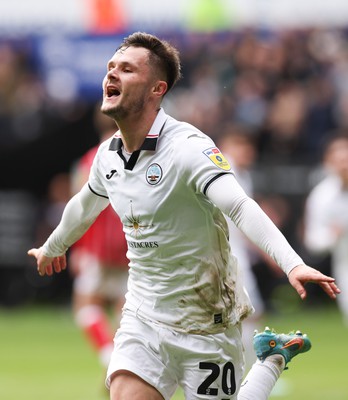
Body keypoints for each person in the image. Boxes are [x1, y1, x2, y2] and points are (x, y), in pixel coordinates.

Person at [28, 32, 340, 400]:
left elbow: (239, 205)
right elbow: (84, 204)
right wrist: (53, 245)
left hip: (207, 321)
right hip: (143, 317)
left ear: (157, 89)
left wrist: (292, 264)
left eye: (127, 69)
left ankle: (271, 360)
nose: (112, 75)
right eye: (111, 67)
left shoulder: (189, 148)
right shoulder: (107, 155)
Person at [69, 104, 129, 370]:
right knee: (127, 312)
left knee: (85, 306)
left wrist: (77, 247)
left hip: (99, 248)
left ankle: (110, 359)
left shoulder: (92, 158)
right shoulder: (139, 155)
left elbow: (80, 209)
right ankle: (127, 365)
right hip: (135, 247)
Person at [217, 128, 264, 369]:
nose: (247, 151)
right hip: (227, 255)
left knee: (239, 315)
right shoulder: (226, 169)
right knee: (249, 313)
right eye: (240, 144)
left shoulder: (243, 175)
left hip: (233, 253)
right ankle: (247, 369)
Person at [303, 133, 348, 327]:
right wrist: (333, 235)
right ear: (329, 162)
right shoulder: (322, 196)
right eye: (340, 160)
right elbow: (313, 241)